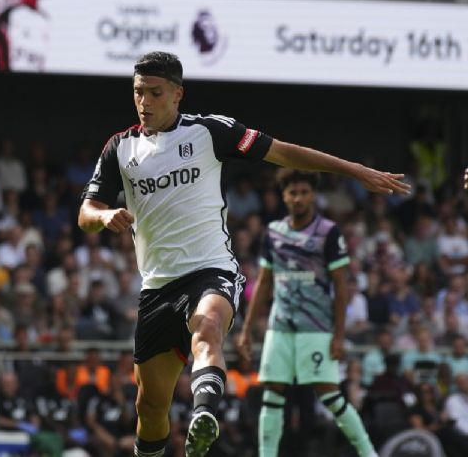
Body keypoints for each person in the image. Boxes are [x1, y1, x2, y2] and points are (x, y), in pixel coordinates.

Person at [77, 51, 408, 457]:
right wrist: (106, 213)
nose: (144, 102)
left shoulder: (210, 132)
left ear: (178, 94)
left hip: (210, 268)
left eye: (154, 92)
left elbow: (285, 152)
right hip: (157, 285)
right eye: (137, 92)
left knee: (208, 327)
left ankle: (204, 415)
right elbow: (85, 213)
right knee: (150, 406)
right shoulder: (120, 149)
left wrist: (356, 170)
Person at [237, 169, 378, 457]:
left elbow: (340, 286)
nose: (298, 198)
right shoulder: (273, 231)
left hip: (316, 326)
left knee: (330, 395)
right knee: (273, 395)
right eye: (292, 193)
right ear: (284, 196)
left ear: (312, 195)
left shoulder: (328, 232)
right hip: (280, 326)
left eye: (303, 192)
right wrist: (247, 328)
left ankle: (368, 453)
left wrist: (339, 334)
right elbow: (264, 282)